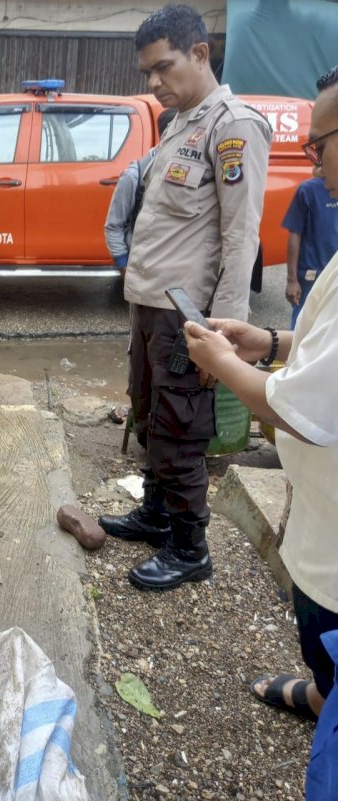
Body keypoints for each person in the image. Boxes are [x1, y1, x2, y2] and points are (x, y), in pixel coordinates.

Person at [183, 65, 338, 727]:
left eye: (319, 143)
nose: (312, 160)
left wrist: (223, 359)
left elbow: (300, 411)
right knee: (319, 639)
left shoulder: (232, 130)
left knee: (325, 628)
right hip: (321, 521)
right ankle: (323, 694)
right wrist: (271, 341)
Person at [98, 4, 272, 590]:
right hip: (150, 305)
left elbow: (240, 237)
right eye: (147, 71)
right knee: (149, 415)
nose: (153, 83)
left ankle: (190, 548)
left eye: (163, 68)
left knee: (180, 430)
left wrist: (222, 337)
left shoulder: (233, 125)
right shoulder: (179, 123)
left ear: (200, 54)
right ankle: (155, 515)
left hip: (188, 317)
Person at [104, 108, 178, 275]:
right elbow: (113, 226)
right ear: (168, 135)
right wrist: (124, 267)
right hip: (143, 267)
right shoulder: (134, 175)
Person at [282, 173, 338, 328]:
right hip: (311, 274)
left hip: (335, 274)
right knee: (303, 324)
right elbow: (295, 233)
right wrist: (292, 280)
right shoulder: (308, 190)